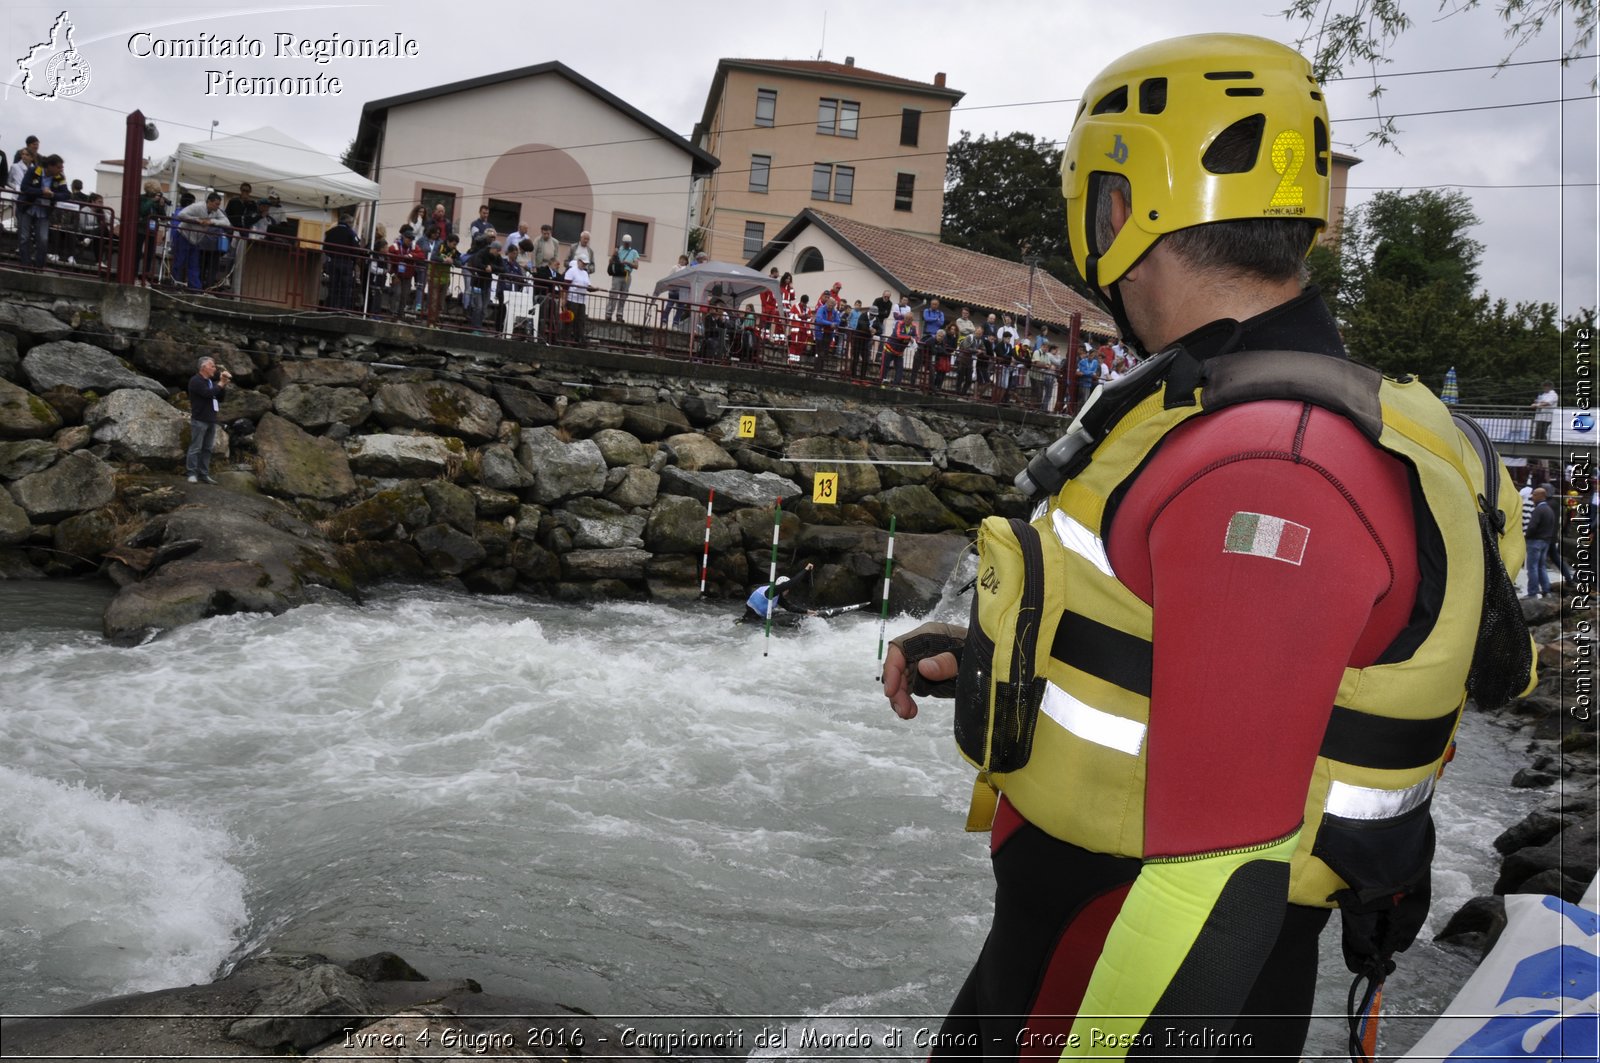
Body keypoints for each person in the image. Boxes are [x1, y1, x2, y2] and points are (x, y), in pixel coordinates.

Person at [880, 33, 1530, 1060]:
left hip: (1132, 973)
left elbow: (1216, 876)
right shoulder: (1249, 416)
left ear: (1118, 202)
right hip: (1076, 950)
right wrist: (998, 658)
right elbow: (1214, 668)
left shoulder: (1272, 466)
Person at [185, 356, 231, 484]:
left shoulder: (210, 382)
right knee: (195, 447)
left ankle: (204, 474)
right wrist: (220, 384)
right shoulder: (196, 381)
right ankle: (192, 473)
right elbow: (207, 394)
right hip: (199, 419)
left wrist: (223, 383)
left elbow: (219, 397)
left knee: (207, 448)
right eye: (212, 366)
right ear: (203, 367)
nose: (214, 369)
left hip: (211, 419)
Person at [740, 563, 815, 624]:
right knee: (789, 618)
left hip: (754, 615)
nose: (787, 591)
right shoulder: (772, 591)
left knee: (782, 613)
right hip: (753, 618)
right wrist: (805, 569)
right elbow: (791, 583)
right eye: (787, 589)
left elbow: (789, 607)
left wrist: (807, 611)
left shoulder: (776, 595)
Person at [1524, 486, 1559, 598]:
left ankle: (1532, 592)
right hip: (1546, 541)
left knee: (1532, 568)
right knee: (1541, 567)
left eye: (1534, 494)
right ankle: (1546, 590)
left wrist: (1527, 536)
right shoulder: (1549, 510)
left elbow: (1532, 526)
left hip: (1535, 541)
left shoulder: (1539, 510)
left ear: (1541, 496)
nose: (1532, 497)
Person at [604, 233, 640, 322]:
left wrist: (627, 263)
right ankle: (608, 314)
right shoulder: (618, 250)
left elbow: (636, 266)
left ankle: (619, 315)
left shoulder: (634, 252)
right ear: (623, 242)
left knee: (623, 296)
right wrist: (614, 254)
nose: (627, 244)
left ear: (630, 243)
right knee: (613, 295)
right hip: (617, 275)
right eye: (625, 243)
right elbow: (610, 261)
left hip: (627, 275)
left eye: (628, 243)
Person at [563, 255, 591, 346]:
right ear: (579, 261)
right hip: (572, 299)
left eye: (586, 263)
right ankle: (566, 339)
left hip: (581, 300)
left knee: (580, 321)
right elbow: (566, 286)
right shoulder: (572, 271)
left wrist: (596, 288)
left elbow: (588, 286)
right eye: (583, 263)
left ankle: (578, 340)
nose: (584, 265)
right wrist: (564, 299)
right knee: (570, 320)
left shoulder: (585, 273)